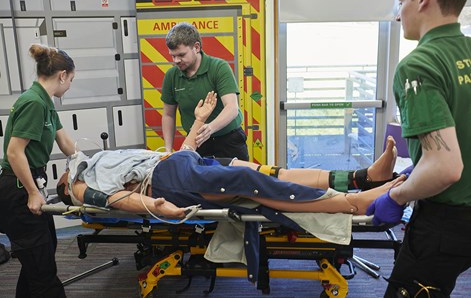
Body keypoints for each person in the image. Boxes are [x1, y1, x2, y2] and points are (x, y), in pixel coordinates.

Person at [58, 92, 404, 220]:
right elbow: (116, 199)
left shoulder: (94, 160)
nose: (63, 173)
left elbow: (183, 151)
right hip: (172, 181)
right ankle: (352, 203)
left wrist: (198, 120)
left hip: (181, 163)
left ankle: (362, 178)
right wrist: (158, 207)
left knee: (263, 170)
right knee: (249, 182)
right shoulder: (78, 186)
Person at [365, 0, 471, 297]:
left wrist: (397, 196)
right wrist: (419, 168)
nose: (398, 14)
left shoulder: (419, 65)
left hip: (446, 223)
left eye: (401, 1)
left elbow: (446, 168)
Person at [0, 44, 77, 297]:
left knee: (40, 258)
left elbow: (67, 145)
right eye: (71, 79)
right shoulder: (33, 102)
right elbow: (14, 152)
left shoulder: (46, 102)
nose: (70, 85)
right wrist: (33, 192)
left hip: (31, 183)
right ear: (62, 75)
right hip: (19, 188)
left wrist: (91, 162)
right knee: (42, 270)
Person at [161, 22, 249, 161]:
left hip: (229, 141)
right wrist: (167, 149)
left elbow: (232, 108)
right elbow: (168, 115)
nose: (176, 60)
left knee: (237, 181)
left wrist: (210, 128)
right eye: (173, 56)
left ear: (196, 47)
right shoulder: (171, 76)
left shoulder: (219, 67)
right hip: (198, 143)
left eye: (181, 55)